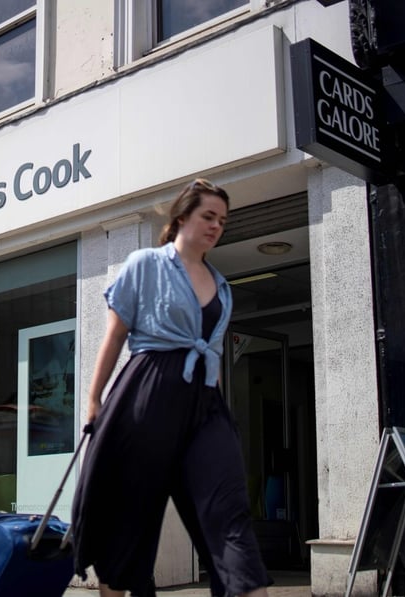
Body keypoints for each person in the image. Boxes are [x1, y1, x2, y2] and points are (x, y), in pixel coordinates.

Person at [70, 179, 271, 597]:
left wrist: (216, 406)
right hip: (149, 394)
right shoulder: (145, 263)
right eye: (208, 216)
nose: (217, 226)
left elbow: (212, 353)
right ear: (182, 217)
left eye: (222, 220)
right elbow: (115, 335)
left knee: (227, 508)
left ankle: (246, 588)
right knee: (131, 514)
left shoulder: (222, 284)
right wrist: (93, 399)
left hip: (204, 403)